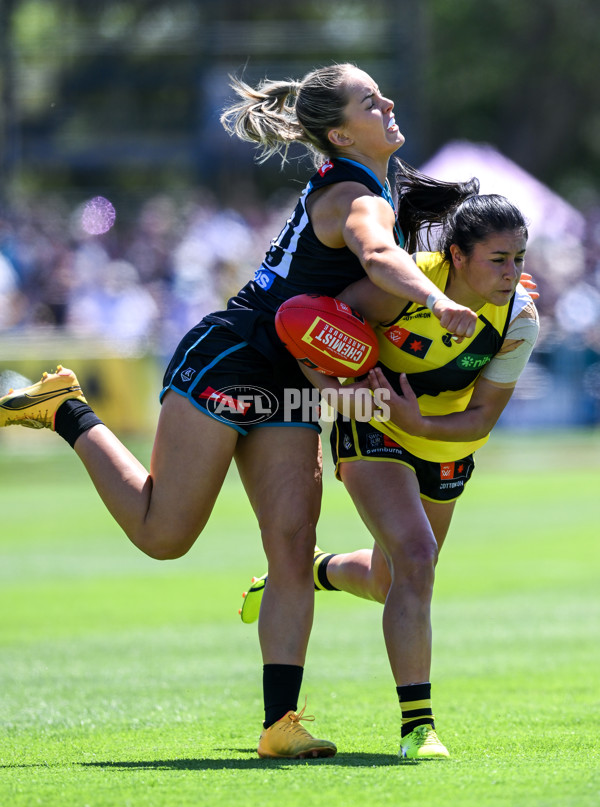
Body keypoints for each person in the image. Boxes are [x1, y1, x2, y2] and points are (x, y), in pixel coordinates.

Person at [0, 63, 483, 760]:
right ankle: (65, 408)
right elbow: (377, 256)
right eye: (371, 101)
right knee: (163, 535)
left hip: (291, 378)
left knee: (290, 546)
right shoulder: (354, 192)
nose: (389, 104)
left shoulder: (374, 185)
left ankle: (280, 725)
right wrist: (437, 300)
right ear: (340, 131)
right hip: (236, 358)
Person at [239, 193, 540, 758]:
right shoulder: (399, 288)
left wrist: (418, 417)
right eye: (498, 259)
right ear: (456, 254)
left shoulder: (519, 319)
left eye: (519, 258)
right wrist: (337, 396)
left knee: (390, 580)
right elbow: (309, 326)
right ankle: (418, 728)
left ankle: (313, 571)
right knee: (418, 557)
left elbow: (481, 417)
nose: (512, 273)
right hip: (374, 429)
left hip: (446, 441)